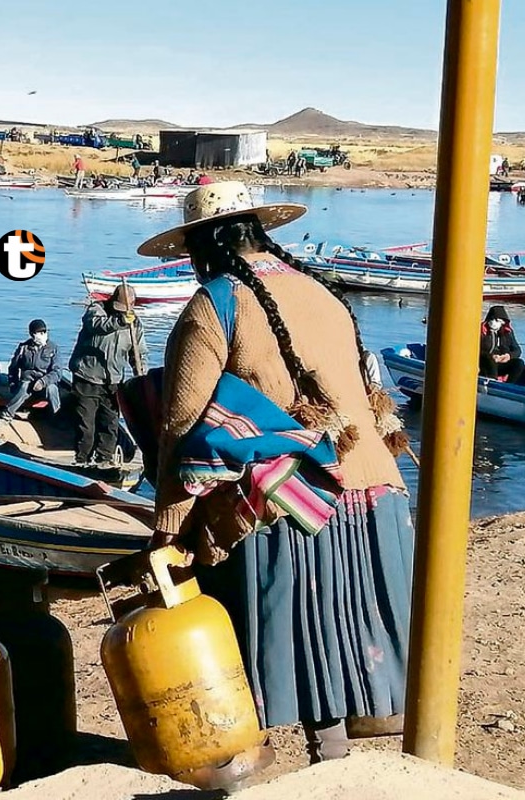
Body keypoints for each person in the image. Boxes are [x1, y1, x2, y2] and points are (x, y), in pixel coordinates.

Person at [138, 181, 414, 764]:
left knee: (292, 619)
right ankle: (353, 736)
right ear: (259, 232)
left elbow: (181, 425)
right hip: (374, 483)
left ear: (201, 246)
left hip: (296, 494)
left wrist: (170, 525)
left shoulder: (214, 302)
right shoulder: (323, 291)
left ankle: (308, 751)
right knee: (352, 619)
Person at [68, 284, 146, 466]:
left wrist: (141, 377)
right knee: (86, 425)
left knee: (110, 424)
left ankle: (105, 459)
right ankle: (82, 460)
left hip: (113, 381)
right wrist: (119, 322)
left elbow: (138, 354)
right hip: (86, 377)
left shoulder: (135, 325)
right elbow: (97, 326)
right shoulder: (96, 310)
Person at [0, 319, 62, 420]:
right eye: (38, 333)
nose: (42, 335)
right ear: (32, 334)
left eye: (44, 332)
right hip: (28, 382)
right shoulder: (24, 348)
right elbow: (13, 368)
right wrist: (13, 383)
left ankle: (57, 417)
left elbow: (57, 372)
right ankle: (8, 413)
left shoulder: (54, 348)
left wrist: (43, 382)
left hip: (45, 383)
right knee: (23, 387)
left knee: (52, 389)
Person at [479, 305, 524, 383]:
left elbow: (517, 350)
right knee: (490, 360)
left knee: (519, 363)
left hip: (501, 363)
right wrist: (491, 356)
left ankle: (510, 386)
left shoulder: (507, 332)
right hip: (485, 364)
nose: (494, 322)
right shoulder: (481, 331)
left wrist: (508, 356)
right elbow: (475, 350)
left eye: (498, 320)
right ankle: (492, 383)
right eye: (493, 319)